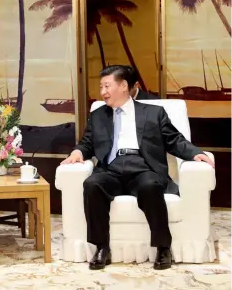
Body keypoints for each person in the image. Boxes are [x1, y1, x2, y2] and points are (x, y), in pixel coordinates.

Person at [61, 65, 214, 270]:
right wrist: (78, 152)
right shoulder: (99, 115)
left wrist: (195, 153)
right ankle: (101, 248)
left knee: (150, 186)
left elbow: (174, 140)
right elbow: (88, 142)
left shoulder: (154, 113)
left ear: (123, 85)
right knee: (92, 184)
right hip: (112, 168)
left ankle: (163, 247)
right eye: (101, 87)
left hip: (143, 166)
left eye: (107, 86)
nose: (102, 92)